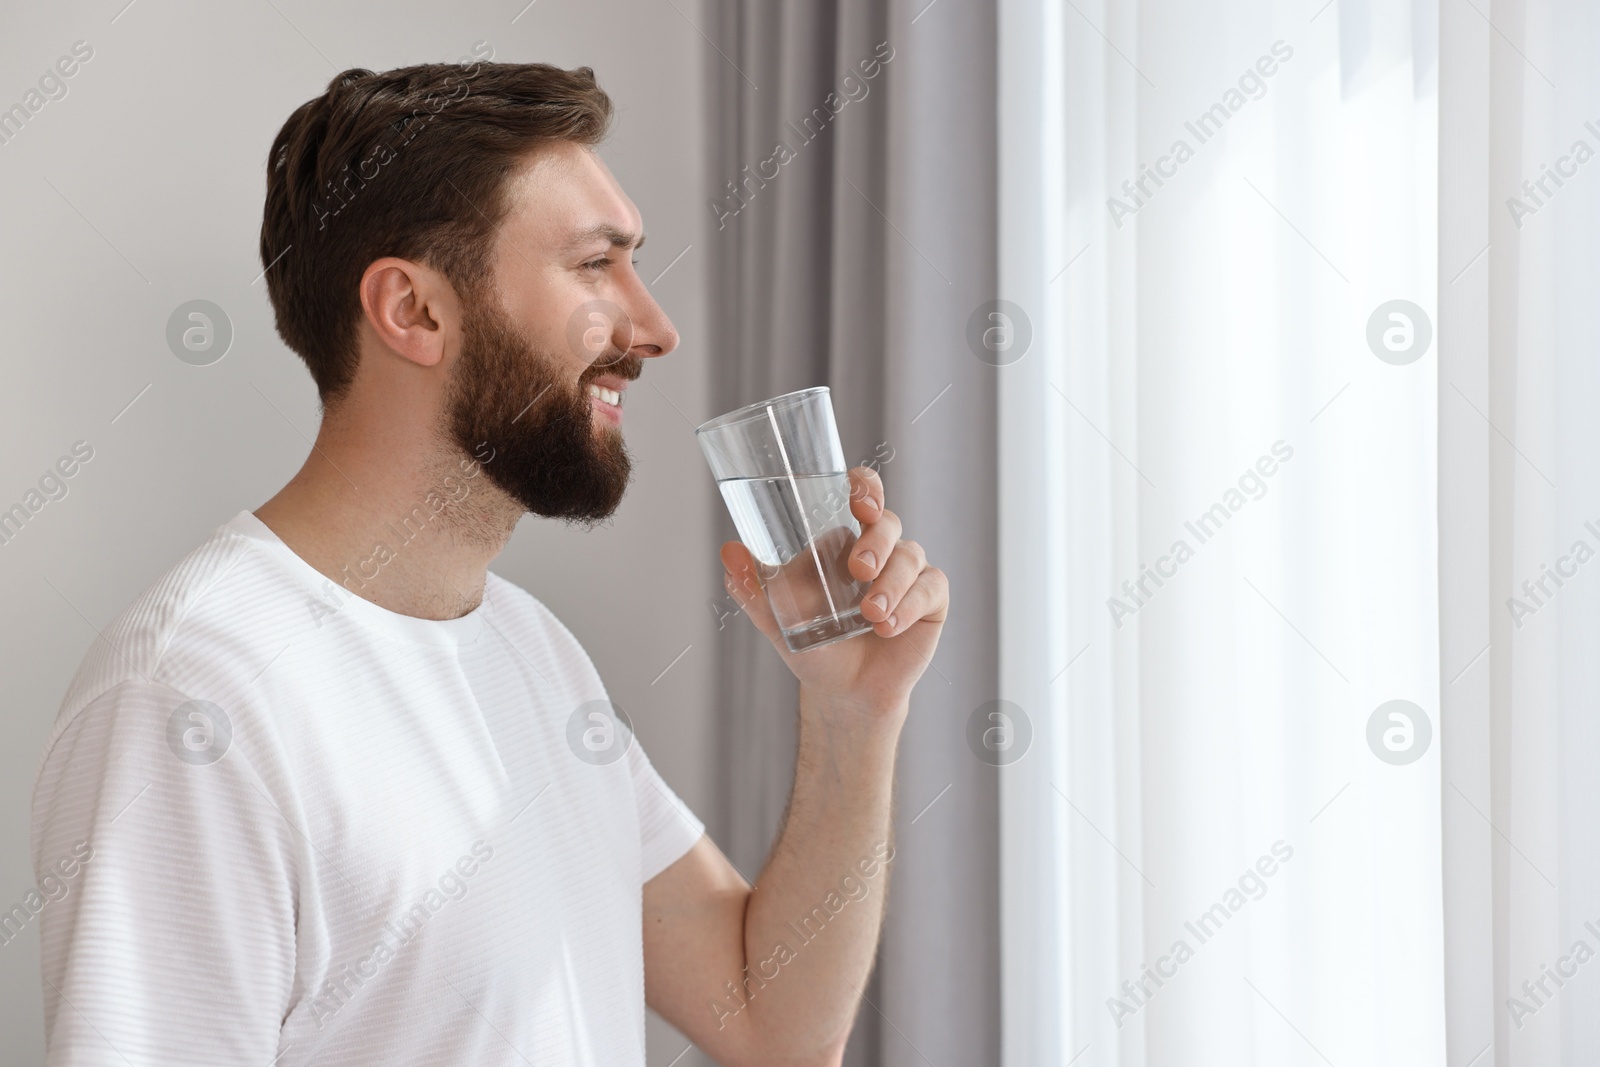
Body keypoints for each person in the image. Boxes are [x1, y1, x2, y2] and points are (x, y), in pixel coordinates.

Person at [30, 59, 948, 1067]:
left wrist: (855, 715)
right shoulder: (194, 695)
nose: (655, 327)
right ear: (413, 311)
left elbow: (770, 1019)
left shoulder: (531, 649)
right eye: (597, 265)